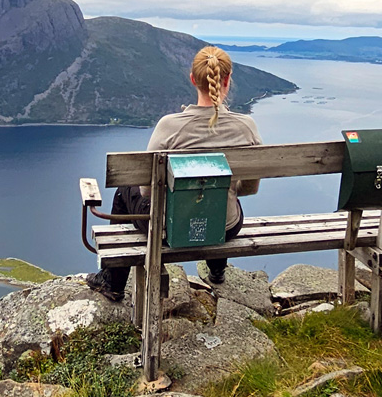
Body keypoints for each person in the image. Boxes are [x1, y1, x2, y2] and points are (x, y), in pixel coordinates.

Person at [85, 46, 261, 302]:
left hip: (169, 229)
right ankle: (217, 269)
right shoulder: (247, 127)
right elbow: (249, 189)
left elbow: (146, 191)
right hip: (227, 227)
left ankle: (112, 281)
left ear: (193, 79)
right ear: (227, 79)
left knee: (126, 190)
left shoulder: (170, 127)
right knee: (218, 197)